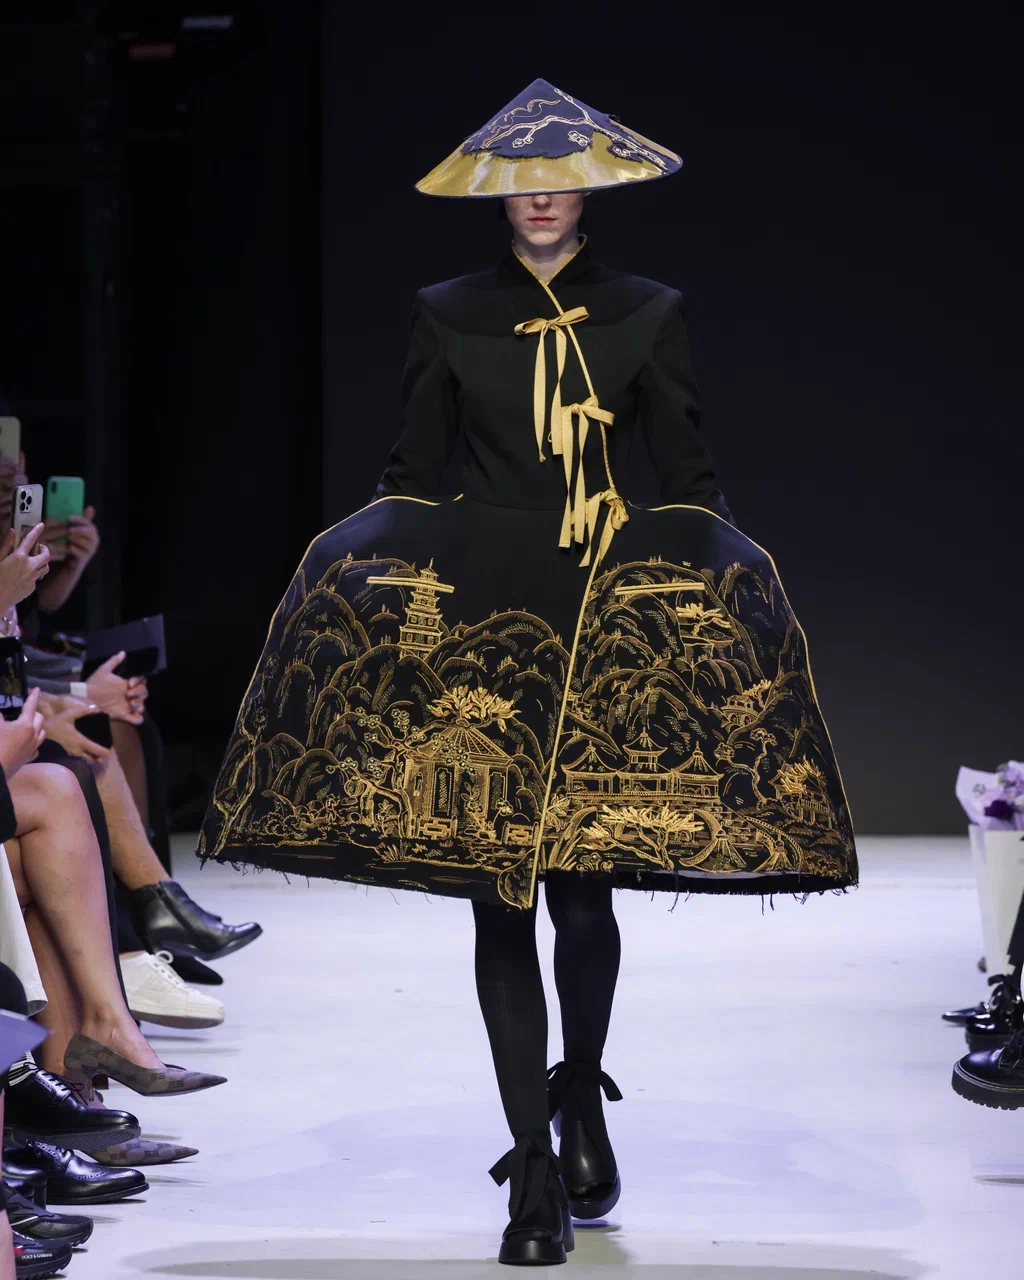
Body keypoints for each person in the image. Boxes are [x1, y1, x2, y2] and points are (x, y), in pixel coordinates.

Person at [199, 79, 857, 1266]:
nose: (542, 194)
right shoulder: (447, 313)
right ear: (496, 193)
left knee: (586, 891)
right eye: (522, 178)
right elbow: (414, 470)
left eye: (562, 177)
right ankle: (532, 1169)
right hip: (487, 601)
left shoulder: (647, 312)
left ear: (590, 190)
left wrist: (713, 584)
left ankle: (581, 1090)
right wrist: (359, 571)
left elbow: (686, 476)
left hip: (602, 600)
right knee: (496, 890)